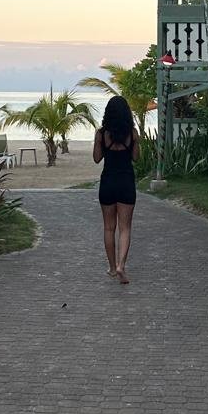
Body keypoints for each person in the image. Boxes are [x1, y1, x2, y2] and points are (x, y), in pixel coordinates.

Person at [93, 95, 138, 283]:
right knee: (125, 228)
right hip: (126, 182)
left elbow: (96, 159)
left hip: (108, 183)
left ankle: (112, 268)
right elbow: (136, 158)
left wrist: (98, 142)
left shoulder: (102, 133)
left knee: (109, 227)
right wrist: (135, 143)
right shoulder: (132, 133)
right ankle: (121, 265)